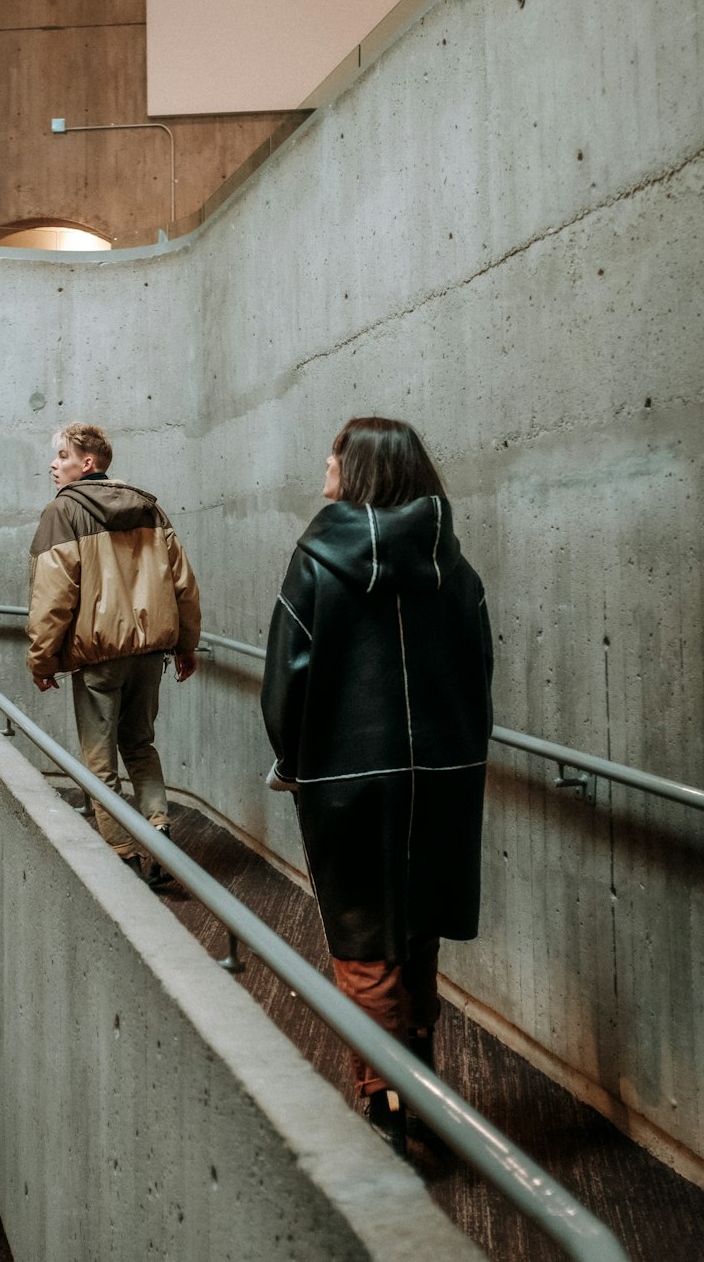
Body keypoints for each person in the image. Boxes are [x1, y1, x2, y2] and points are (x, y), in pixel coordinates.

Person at [260, 416, 493, 1154]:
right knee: (417, 930)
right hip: (445, 777)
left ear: (355, 468)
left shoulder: (317, 560)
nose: (324, 462)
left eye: (333, 452)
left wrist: (291, 761)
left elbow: (286, 679)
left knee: (365, 938)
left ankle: (385, 1100)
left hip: (347, 775)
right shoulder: (452, 565)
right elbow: (479, 672)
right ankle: (418, 1075)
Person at [27, 422, 201, 885]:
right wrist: (186, 644)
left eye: (61, 455)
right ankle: (159, 835)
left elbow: (53, 597)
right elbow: (183, 584)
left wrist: (42, 660)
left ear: (87, 463)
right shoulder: (151, 508)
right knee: (140, 745)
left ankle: (123, 855)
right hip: (151, 653)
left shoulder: (62, 513)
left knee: (99, 762)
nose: (53, 464)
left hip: (101, 656)